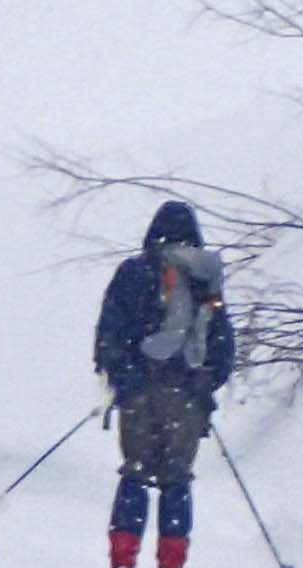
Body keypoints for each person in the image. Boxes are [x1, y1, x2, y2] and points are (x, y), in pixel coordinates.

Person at [90, 200, 234, 568]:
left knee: (135, 474)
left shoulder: (135, 272)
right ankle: (171, 562)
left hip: (140, 393)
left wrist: (124, 377)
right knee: (176, 482)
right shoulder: (204, 279)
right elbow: (222, 346)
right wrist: (203, 386)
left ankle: (123, 560)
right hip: (186, 398)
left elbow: (109, 332)